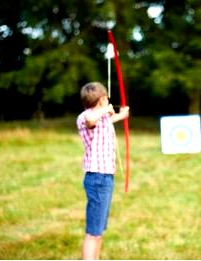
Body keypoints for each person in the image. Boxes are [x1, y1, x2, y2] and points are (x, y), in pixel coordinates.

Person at [76, 82, 129, 260]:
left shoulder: (102, 118)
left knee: (98, 230)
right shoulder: (85, 117)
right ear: (101, 99)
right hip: (97, 178)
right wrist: (107, 109)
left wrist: (122, 114)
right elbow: (92, 120)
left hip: (104, 178)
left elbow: (108, 120)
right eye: (106, 98)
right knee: (93, 232)